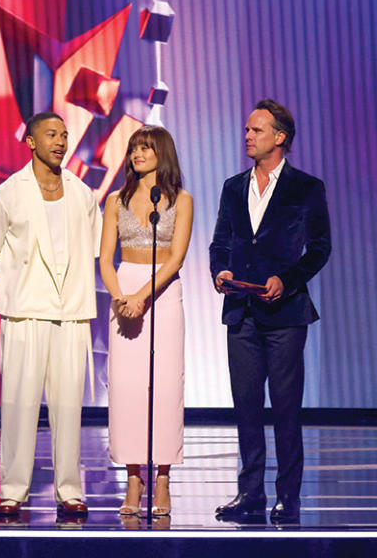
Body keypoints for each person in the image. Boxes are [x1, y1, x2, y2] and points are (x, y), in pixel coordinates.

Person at [0, 112, 102, 520]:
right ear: (30, 141)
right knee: (19, 404)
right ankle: (12, 490)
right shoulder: (8, 194)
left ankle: (70, 490)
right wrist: (14, 289)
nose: (61, 141)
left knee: (69, 407)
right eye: (51, 134)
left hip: (71, 314)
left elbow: (92, 250)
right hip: (25, 313)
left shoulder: (83, 195)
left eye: (65, 135)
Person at [209, 99, 331, 524]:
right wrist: (219, 271)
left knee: (284, 407)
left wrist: (289, 279)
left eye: (256, 130)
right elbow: (219, 242)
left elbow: (319, 248)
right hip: (241, 311)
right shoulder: (232, 186)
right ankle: (250, 493)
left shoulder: (306, 188)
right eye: (247, 129)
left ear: (279, 137)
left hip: (285, 315)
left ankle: (288, 496)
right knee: (246, 408)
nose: (248, 136)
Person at [99, 125, 193, 517]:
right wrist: (122, 296)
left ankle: (163, 478)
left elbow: (176, 258)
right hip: (125, 290)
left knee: (165, 385)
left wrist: (143, 296)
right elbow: (105, 258)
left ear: (162, 153)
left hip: (163, 291)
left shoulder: (181, 199)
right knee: (127, 386)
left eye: (146, 148)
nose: (138, 154)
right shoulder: (115, 200)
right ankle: (134, 478)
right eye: (134, 148)